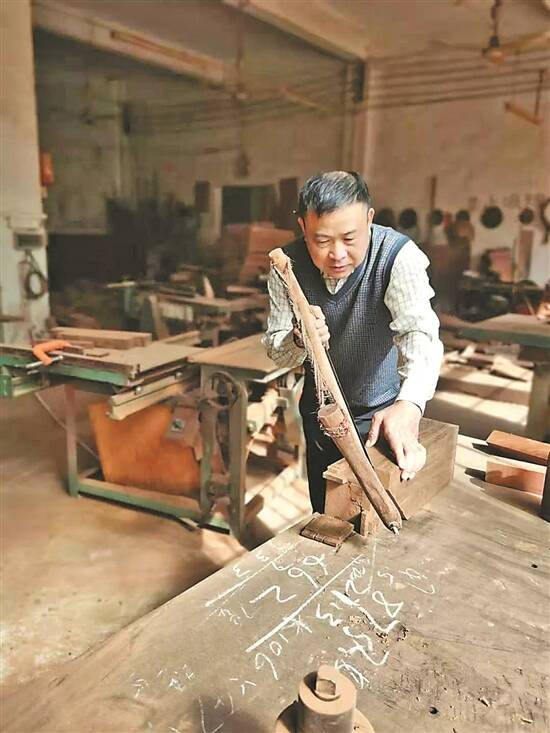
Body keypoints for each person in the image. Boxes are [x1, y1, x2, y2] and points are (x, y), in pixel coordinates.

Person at [263, 171, 443, 514]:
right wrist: (299, 341)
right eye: (321, 240)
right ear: (303, 227)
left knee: (380, 515)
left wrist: (409, 405)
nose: (337, 254)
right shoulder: (285, 265)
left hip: (381, 417)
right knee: (326, 513)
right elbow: (277, 352)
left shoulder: (397, 256)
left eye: (349, 238)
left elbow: (420, 334)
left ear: (369, 219)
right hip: (322, 417)